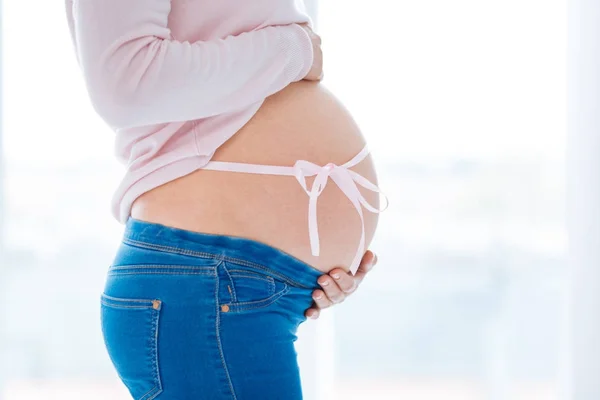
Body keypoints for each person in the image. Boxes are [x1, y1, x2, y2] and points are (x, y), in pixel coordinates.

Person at [65, 0, 386, 398]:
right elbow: (126, 84)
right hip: (204, 278)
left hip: (225, 285)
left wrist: (309, 274)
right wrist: (294, 49)